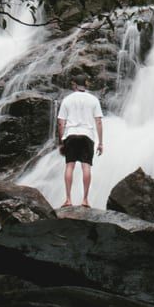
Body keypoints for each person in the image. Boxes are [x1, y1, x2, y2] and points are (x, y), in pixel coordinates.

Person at [57, 74, 104, 207]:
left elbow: (61, 123)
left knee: (69, 166)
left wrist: (62, 141)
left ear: (74, 85)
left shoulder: (67, 100)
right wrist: (100, 142)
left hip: (71, 135)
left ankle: (68, 199)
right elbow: (99, 122)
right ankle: (85, 200)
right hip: (87, 135)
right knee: (86, 166)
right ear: (86, 85)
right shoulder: (94, 100)